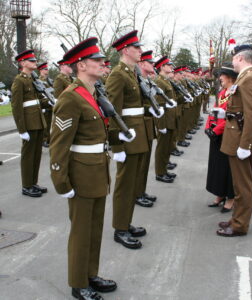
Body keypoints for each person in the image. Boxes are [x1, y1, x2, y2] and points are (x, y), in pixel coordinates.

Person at [50, 37, 117, 300]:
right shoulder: (71, 98)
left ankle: (91, 274)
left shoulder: (94, 93)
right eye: (96, 60)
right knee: (81, 232)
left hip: (98, 171)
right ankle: (78, 284)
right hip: (80, 175)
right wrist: (61, 180)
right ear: (80, 65)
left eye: (102, 60)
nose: (102, 64)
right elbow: (58, 144)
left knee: (95, 228)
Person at [105, 30, 149, 249]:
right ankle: (120, 229)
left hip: (137, 134)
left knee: (132, 184)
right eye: (137, 48)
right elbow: (113, 112)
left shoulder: (132, 73)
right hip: (127, 137)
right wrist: (116, 144)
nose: (140, 50)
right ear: (125, 50)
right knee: (125, 184)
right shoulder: (117, 74)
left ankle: (126, 222)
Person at [217, 45, 252, 237]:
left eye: (234, 58)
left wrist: (245, 145)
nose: (232, 61)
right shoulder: (245, 77)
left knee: (243, 186)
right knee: (238, 185)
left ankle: (240, 225)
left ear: (241, 59)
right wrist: (225, 113)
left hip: (241, 140)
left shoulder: (250, 78)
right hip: (235, 136)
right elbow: (240, 109)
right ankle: (237, 219)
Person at [11, 50, 48, 197]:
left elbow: (39, 101)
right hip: (28, 124)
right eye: (31, 61)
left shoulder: (32, 80)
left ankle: (33, 182)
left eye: (34, 61)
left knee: (36, 154)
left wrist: (53, 102)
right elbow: (16, 106)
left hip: (38, 122)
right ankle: (26, 185)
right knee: (28, 156)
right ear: (23, 63)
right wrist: (22, 129)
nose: (35, 63)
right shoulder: (19, 81)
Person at [205, 63, 237, 213]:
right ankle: (220, 194)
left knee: (227, 167)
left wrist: (216, 130)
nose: (219, 78)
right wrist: (208, 127)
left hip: (227, 134)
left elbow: (231, 116)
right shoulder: (222, 92)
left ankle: (230, 198)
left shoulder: (234, 92)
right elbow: (215, 111)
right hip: (217, 135)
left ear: (230, 77)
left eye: (222, 75)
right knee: (217, 166)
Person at [135, 50, 163, 207]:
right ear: (141, 64)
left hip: (147, 125)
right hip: (140, 126)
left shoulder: (146, 80)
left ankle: (141, 191)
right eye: (150, 62)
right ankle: (136, 194)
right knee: (139, 165)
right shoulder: (139, 80)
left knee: (145, 164)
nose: (153, 65)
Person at [154, 56, 177, 183]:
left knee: (167, 147)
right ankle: (160, 173)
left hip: (170, 119)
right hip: (164, 120)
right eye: (168, 65)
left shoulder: (166, 81)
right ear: (162, 67)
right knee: (162, 148)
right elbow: (159, 105)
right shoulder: (159, 81)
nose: (171, 67)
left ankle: (164, 169)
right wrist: (160, 125)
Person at [38, 62, 53, 147]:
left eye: (47, 69)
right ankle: (44, 140)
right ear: (41, 70)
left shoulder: (48, 80)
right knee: (45, 124)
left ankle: (48, 139)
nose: (47, 70)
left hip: (49, 103)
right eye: (45, 69)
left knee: (49, 123)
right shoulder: (39, 81)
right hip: (44, 104)